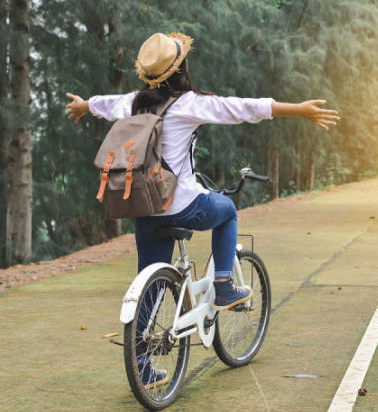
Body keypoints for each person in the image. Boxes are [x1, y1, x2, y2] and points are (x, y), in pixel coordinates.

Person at [65, 31, 339, 310]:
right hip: (181, 204)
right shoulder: (188, 103)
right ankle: (223, 286)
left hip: (144, 206)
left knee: (149, 281)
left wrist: (83, 106)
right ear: (181, 68)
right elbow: (242, 108)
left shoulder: (134, 101)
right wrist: (300, 110)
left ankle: (142, 350)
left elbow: (105, 103)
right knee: (227, 212)